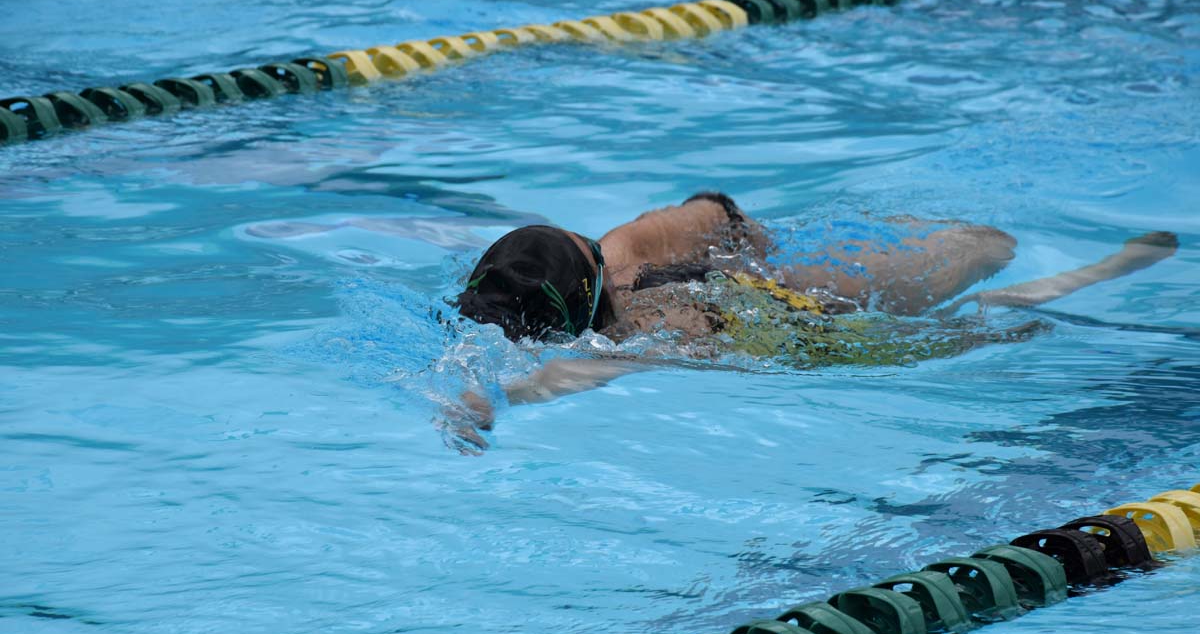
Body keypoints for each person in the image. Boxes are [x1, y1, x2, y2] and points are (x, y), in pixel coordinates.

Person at [448, 192, 1177, 449]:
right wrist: (753, 255)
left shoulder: (647, 326)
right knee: (988, 259)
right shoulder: (629, 247)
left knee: (987, 307)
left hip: (822, 329)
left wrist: (493, 397)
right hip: (801, 297)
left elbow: (576, 371)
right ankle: (1100, 270)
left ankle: (1097, 276)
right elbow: (717, 208)